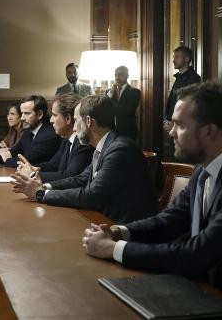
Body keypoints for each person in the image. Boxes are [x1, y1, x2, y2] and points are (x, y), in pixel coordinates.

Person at [81, 83, 222, 307]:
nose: (170, 132)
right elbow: (169, 220)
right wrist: (119, 232)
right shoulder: (205, 166)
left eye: (179, 125)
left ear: (209, 130)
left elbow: (198, 254)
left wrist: (113, 249)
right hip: (206, 290)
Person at [11, 95, 157, 223]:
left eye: (76, 121)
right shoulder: (107, 144)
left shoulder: (120, 149)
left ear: (88, 121)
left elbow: (91, 196)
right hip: (105, 219)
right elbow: (80, 179)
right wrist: (44, 186)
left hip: (125, 227)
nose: (74, 128)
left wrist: (40, 193)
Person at [15, 93, 94, 183]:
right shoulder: (66, 139)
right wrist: (32, 168)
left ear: (68, 119)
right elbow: (53, 165)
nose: (51, 120)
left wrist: (32, 174)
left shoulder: (82, 143)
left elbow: (70, 175)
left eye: (54, 115)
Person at [0, 95, 61, 168]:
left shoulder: (48, 135)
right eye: (22, 113)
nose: (22, 118)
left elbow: (24, 161)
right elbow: (13, 152)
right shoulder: (29, 131)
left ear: (40, 114)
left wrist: (7, 160)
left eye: (27, 113)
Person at [164, 46, 201, 136]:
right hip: (172, 124)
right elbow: (173, 101)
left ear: (186, 59)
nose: (173, 60)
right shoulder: (179, 77)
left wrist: (175, 124)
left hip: (183, 127)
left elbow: (189, 105)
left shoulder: (194, 78)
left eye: (177, 57)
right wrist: (167, 119)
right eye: (173, 57)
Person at [107, 66, 140, 140]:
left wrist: (111, 107)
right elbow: (104, 106)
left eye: (120, 75)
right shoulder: (109, 92)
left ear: (127, 76)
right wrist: (111, 92)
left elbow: (128, 111)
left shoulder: (135, 92)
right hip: (111, 132)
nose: (117, 78)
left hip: (128, 132)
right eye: (115, 75)